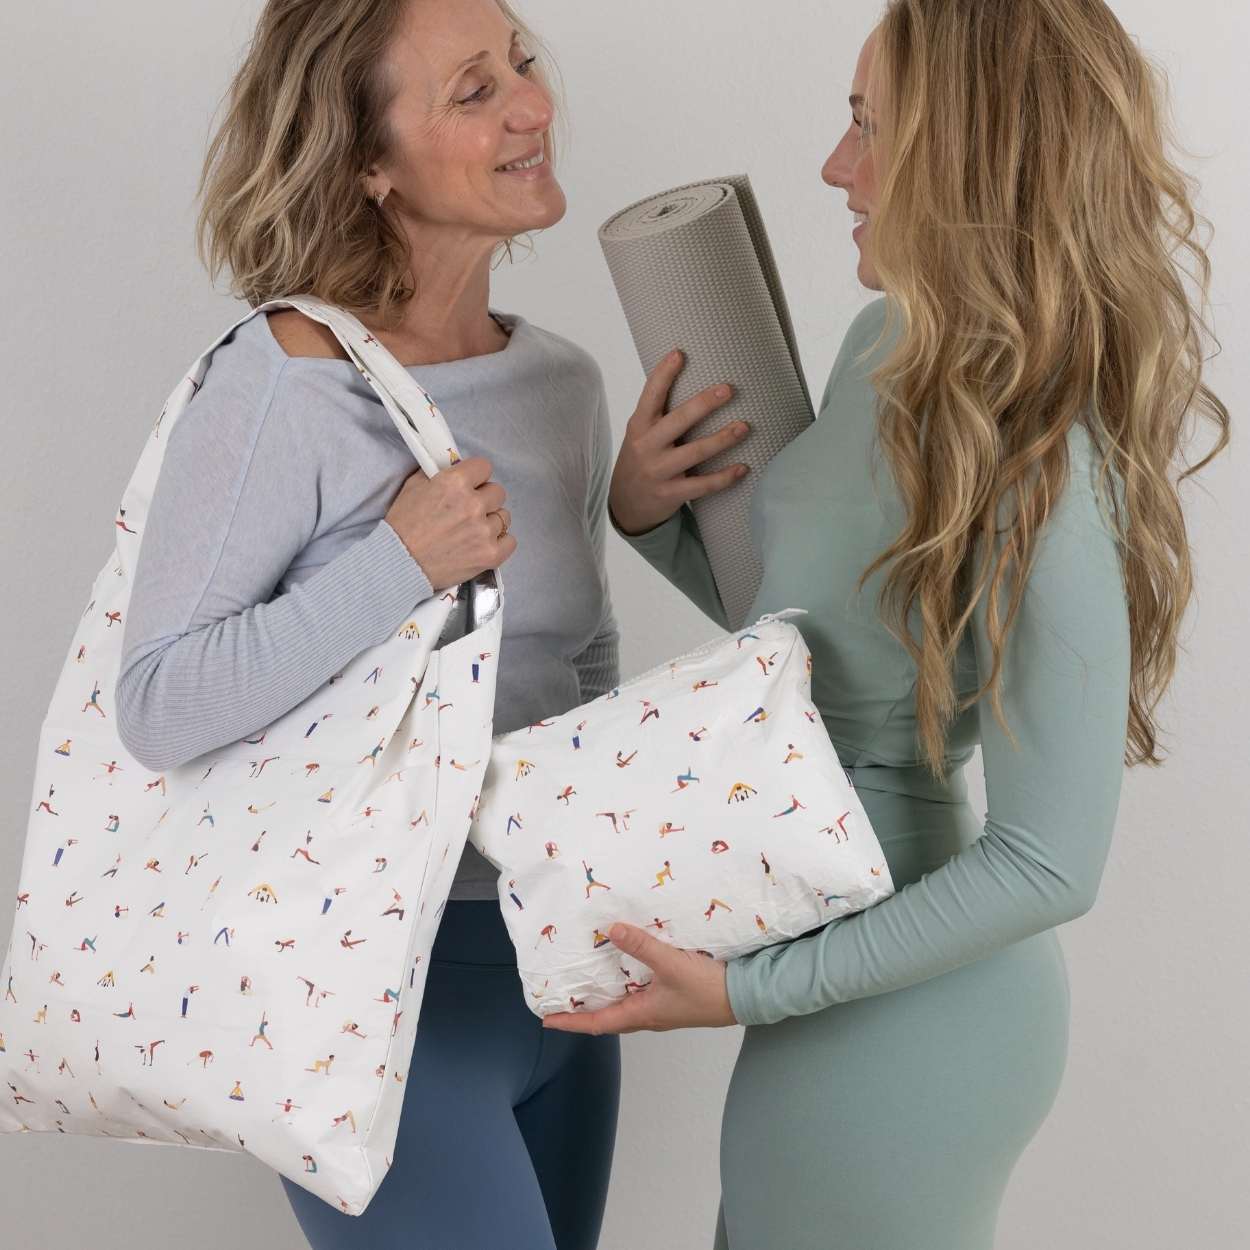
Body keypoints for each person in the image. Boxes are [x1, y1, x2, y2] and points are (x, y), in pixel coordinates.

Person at [543, 3, 1230, 1248]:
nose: (831, 166)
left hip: (918, 1011)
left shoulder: (1046, 462)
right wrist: (648, 513)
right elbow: (805, 650)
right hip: (826, 965)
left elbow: (1048, 861)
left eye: (868, 126)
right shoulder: (884, 343)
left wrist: (751, 988)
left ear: (967, 153)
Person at [115, 1, 737, 1245]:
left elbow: (570, 664)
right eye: (470, 91)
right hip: (373, 1000)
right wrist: (399, 559)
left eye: (520, 64)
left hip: (556, 984)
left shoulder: (558, 378)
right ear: (364, 160)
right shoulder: (283, 380)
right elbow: (159, 700)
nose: (530, 104)